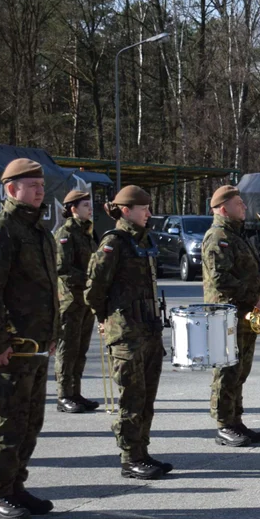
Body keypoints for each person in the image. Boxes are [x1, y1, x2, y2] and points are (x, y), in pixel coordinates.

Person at [0, 158, 59, 519]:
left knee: (29, 421)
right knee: (7, 419)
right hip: (11, 345)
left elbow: (47, 290)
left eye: (41, 184)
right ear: (11, 189)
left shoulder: (37, 230)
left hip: (35, 345)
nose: (40, 190)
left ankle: (16, 486)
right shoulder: (1, 228)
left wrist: (52, 335)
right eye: (32, 184)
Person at [85, 185, 170, 480]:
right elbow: (94, 291)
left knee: (147, 397)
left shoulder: (143, 241)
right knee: (131, 399)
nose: (149, 213)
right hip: (126, 335)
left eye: (148, 207)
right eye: (143, 208)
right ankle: (129, 457)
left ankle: (142, 451)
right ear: (125, 210)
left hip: (148, 330)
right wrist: (109, 320)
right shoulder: (114, 243)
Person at [202, 185, 260, 445]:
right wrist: (254, 297)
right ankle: (223, 424)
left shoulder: (236, 235)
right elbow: (220, 279)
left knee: (240, 370)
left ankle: (236, 420)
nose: (244, 207)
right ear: (222, 208)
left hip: (243, 315)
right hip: (225, 314)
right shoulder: (218, 236)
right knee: (227, 371)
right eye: (238, 203)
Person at [54, 190, 99, 413]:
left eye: (90, 205)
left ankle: (75, 392)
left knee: (81, 349)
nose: (90, 209)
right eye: (85, 205)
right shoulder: (66, 233)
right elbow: (63, 269)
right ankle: (63, 395)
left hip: (85, 301)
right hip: (70, 301)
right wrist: (90, 280)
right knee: (67, 348)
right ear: (73, 208)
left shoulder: (87, 233)